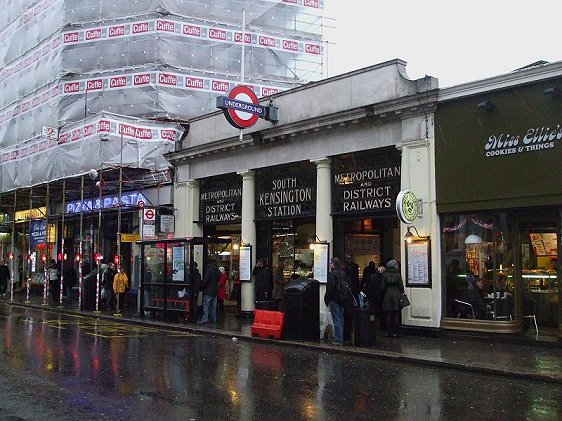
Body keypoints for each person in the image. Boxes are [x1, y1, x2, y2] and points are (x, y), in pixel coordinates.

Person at [324, 257, 348, 345]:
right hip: (342, 299)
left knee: (336, 319)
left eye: (330, 263)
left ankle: (338, 339)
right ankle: (341, 337)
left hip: (334, 298)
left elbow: (330, 288)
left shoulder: (332, 274)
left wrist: (327, 298)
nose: (329, 264)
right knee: (341, 318)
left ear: (333, 264)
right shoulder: (342, 273)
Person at [381, 259, 404, 337]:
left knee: (388, 315)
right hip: (396, 294)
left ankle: (388, 332)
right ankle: (395, 332)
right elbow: (401, 286)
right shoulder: (397, 275)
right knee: (396, 314)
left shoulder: (385, 275)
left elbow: (382, 287)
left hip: (387, 295)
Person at [367, 264, 386, 328]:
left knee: (373, 311)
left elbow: (370, 287)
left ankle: (372, 322)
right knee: (381, 311)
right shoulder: (384, 277)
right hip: (381, 296)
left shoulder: (372, 277)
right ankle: (381, 324)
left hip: (373, 296)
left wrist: (368, 297)